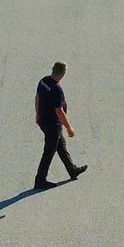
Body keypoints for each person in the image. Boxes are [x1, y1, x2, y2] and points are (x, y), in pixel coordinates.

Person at [33, 62, 87, 190]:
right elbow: (59, 111)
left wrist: (37, 115)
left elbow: (37, 98)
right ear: (63, 74)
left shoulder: (43, 81)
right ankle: (40, 180)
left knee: (61, 146)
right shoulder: (57, 89)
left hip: (43, 120)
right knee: (49, 151)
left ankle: (72, 170)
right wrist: (69, 127)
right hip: (52, 124)